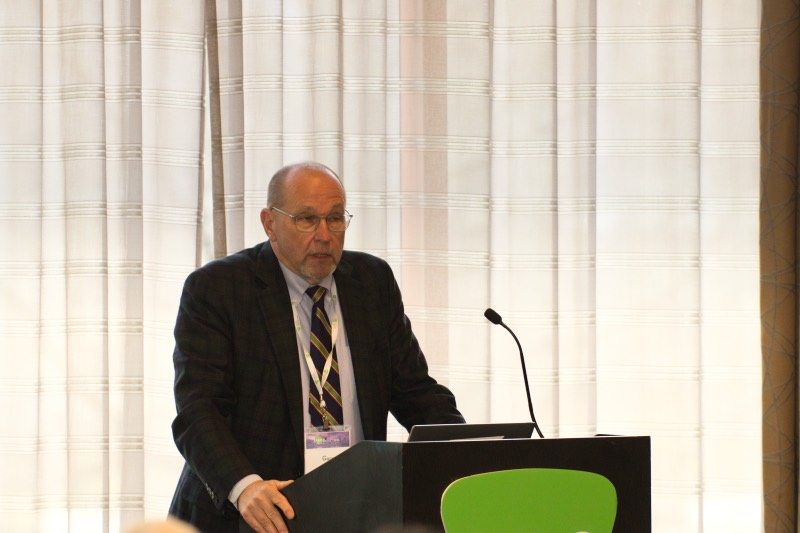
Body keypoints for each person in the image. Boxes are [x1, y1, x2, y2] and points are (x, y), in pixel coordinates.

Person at [168, 162, 464, 533]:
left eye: (335, 218)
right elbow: (198, 410)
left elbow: (415, 392)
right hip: (251, 513)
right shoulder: (220, 288)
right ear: (270, 223)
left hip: (352, 511)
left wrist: (469, 449)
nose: (324, 235)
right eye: (307, 219)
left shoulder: (372, 282)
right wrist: (244, 487)